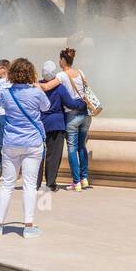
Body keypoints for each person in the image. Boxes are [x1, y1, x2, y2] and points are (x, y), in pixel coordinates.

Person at [0, 58, 51, 240]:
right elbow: (46, 107)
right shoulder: (36, 92)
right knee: (29, 185)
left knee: (7, 184)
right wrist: (37, 87)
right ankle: (28, 226)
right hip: (32, 142)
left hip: (11, 142)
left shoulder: (6, 92)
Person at [37, 61, 87, 191]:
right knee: (54, 156)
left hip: (40, 124)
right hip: (56, 125)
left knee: (37, 155)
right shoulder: (59, 88)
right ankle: (50, 183)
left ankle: (35, 183)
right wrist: (83, 104)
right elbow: (70, 103)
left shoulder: (38, 85)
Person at [56, 47, 92, 191]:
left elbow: (48, 86)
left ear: (63, 60)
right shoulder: (81, 73)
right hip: (86, 114)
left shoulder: (61, 76)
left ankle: (76, 182)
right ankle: (84, 179)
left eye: (60, 59)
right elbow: (87, 90)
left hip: (71, 115)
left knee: (72, 148)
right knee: (81, 146)